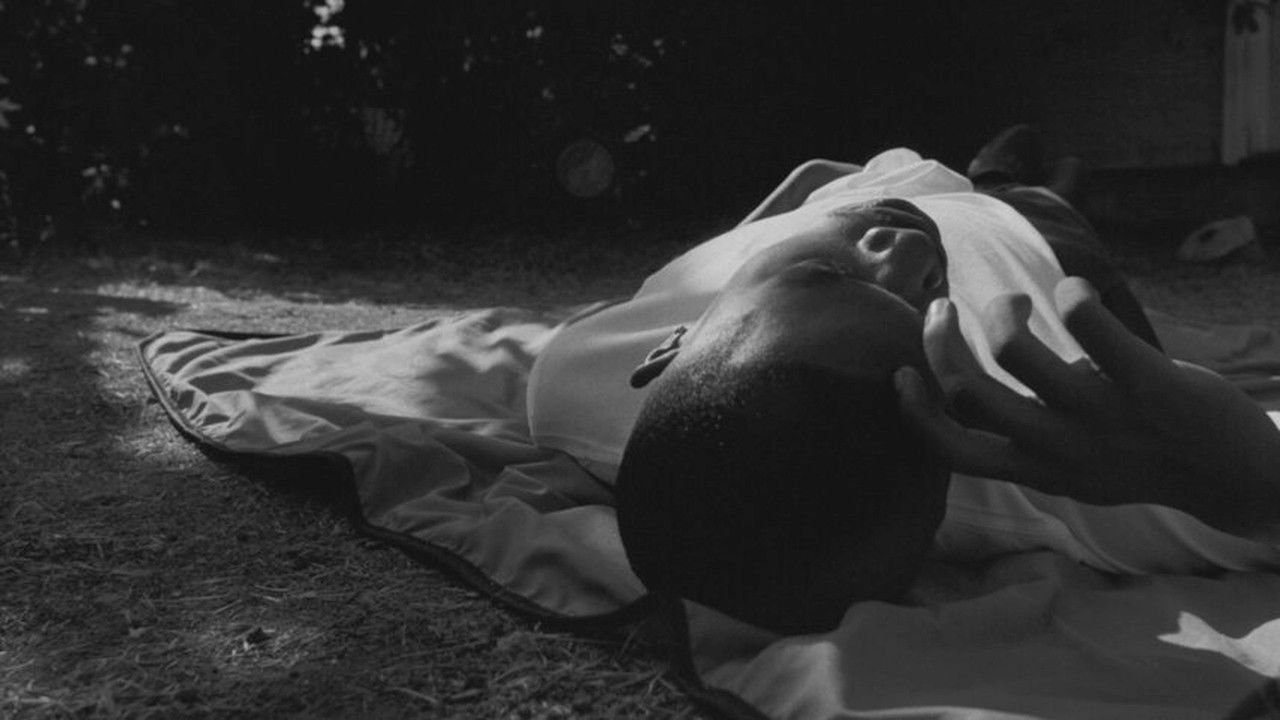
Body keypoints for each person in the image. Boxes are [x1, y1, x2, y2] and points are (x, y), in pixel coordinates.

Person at [525, 128, 1280, 634]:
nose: (915, 258)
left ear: (672, 344)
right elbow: (1224, 477)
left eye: (820, 275)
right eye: (922, 322)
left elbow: (804, 193)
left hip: (890, 183)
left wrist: (782, 213)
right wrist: (1248, 480)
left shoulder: (573, 376)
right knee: (1054, 211)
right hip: (1049, 257)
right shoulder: (1063, 483)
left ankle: (998, 173)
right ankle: (1035, 184)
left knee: (900, 180)